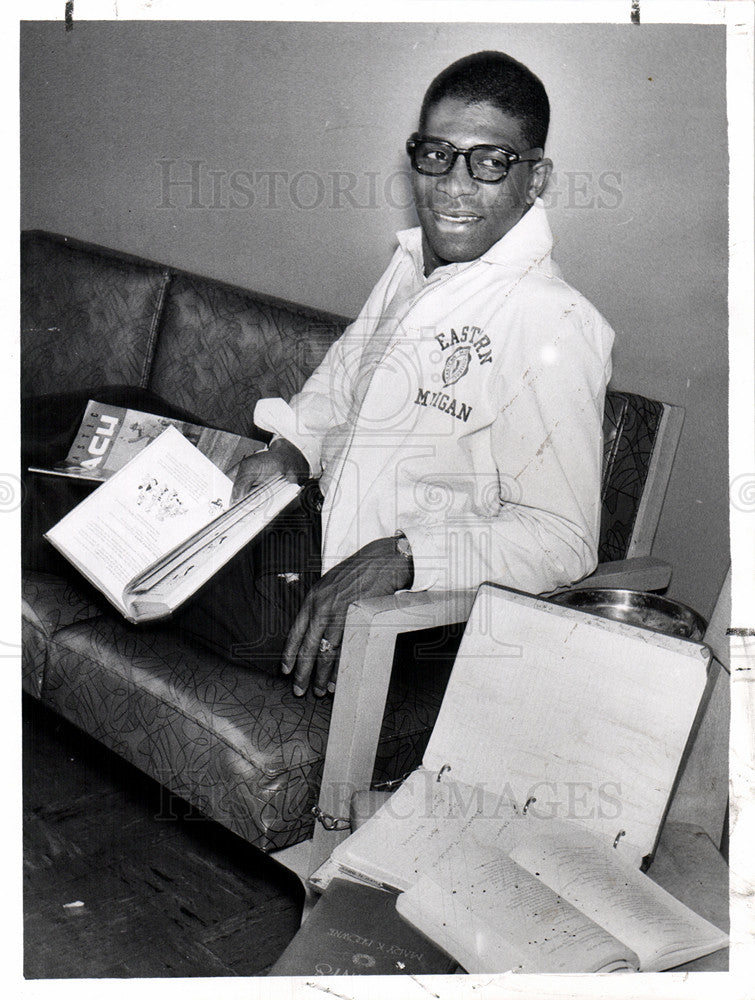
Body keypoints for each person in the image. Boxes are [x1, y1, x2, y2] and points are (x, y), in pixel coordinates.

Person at [23, 51, 614, 702]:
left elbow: (563, 540)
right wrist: (290, 448)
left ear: (534, 179)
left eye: (491, 162)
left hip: (331, 601)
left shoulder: (555, 324)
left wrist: (403, 554)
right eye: (437, 154)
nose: (454, 186)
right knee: (114, 410)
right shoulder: (423, 259)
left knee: (79, 505)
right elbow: (345, 370)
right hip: (295, 518)